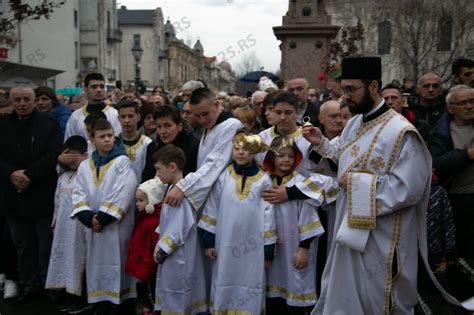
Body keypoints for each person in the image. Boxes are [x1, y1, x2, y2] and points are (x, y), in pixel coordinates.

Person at [302, 57, 461, 314]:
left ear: (373, 86)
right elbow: (342, 163)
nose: (345, 97)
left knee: (377, 302)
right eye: (343, 89)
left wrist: (355, 184)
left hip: (383, 242)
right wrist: (322, 144)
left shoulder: (402, 133)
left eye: (351, 90)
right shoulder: (354, 123)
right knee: (344, 298)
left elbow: (408, 189)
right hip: (348, 232)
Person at [198, 131, 276, 314]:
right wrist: (208, 240)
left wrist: (267, 251)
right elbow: (212, 207)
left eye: (247, 149)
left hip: (253, 248)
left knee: (250, 279)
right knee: (224, 277)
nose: (241, 153)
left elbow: (269, 215)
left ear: (255, 152)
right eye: (237, 148)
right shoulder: (224, 175)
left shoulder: (264, 179)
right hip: (224, 245)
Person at [0, 85, 62, 303]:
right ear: (12, 101)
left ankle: (48, 284)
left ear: (34, 101)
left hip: (41, 193)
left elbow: (53, 154)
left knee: (45, 244)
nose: (22, 104)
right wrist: (11, 175)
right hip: (13, 196)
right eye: (18, 100)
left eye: (27, 99)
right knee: (23, 244)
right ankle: (29, 283)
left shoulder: (49, 124)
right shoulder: (3, 125)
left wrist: (28, 175)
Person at [71, 119, 137, 312]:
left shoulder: (122, 162)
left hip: (115, 227)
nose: (107, 140)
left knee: (118, 265)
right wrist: (88, 218)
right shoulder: (85, 166)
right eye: (102, 137)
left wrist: (102, 218)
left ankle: (121, 306)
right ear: (92, 139)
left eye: (110, 135)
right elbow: (79, 192)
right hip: (94, 228)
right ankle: (100, 303)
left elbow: (124, 191)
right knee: (96, 266)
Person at [264, 137, 324, 314]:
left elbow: (308, 219)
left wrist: (304, 249)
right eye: (281, 155)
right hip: (271, 249)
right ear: (271, 158)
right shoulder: (264, 181)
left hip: (295, 248)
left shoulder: (300, 184)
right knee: (273, 296)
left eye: (290, 156)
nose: (286, 159)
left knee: (294, 292)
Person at [164, 88, 243, 210]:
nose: (202, 120)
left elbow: (215, 163)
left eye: (206, 114)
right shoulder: (209, 127)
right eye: (197, 116)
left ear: (217, 105)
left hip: (224, 197)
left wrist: (184, 187)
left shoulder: (231, 125)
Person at [153, 145, 208, 314]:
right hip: (171, 253)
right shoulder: (172, 188)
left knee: (179, 294)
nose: (157, 175)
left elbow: (178, 227)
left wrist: (162, 249)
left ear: (172, 167)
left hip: (178, 254)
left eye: (159, 169)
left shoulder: (181, 197)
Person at [45, 136, 90, 313]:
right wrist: (55, 222)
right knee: (64, 259)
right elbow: (57, 200)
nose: (72, 160)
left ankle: (81, 297)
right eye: (68, 156)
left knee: (79, 261)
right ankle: (65, 292)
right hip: (63, 229)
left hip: (80, 228)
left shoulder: (86, 175)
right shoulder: (63, 176)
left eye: (76, 156)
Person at [430, 85, 474, 261]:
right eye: (463, 102)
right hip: (456, 199)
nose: (469, 106)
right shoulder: (440, 133)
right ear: (451, 108)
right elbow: (436, 164)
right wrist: (466, 155)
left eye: (472, 101)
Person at [125, 177, 166, 315]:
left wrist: (143, 273)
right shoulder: (145, 217)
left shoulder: (154, 223)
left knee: (149, 298)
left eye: (141, 200)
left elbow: (150, 251)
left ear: (153, 200)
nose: (137, 204)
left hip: (146, 272)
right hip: (141, 269)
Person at [142, 105, 199, 182]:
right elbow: (148, 177)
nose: (162, 131)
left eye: (167, 126)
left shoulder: (193, 145)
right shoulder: (154, 147)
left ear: (179, 126)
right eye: (159, 126)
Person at [65, 73, 121, 140]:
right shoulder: (75, 117)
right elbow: (69, 142)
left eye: (102, 86)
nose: (99, 90)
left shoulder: (115, 114)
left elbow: (118, 142)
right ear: (86, 90)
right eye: (94, 87)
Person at [117, 98, 152, 183]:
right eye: (123, 116)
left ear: (138, 117)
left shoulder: (148, 143)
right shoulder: (114, 143)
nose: (127, 120)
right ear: (118, 118)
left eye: (130, 116)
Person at [408, 71, 446, 136]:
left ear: (440, 90)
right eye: (426, 86)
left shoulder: (447, 112)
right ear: (418, 90)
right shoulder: (408, 111)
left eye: (435, 86)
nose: (431, 90)